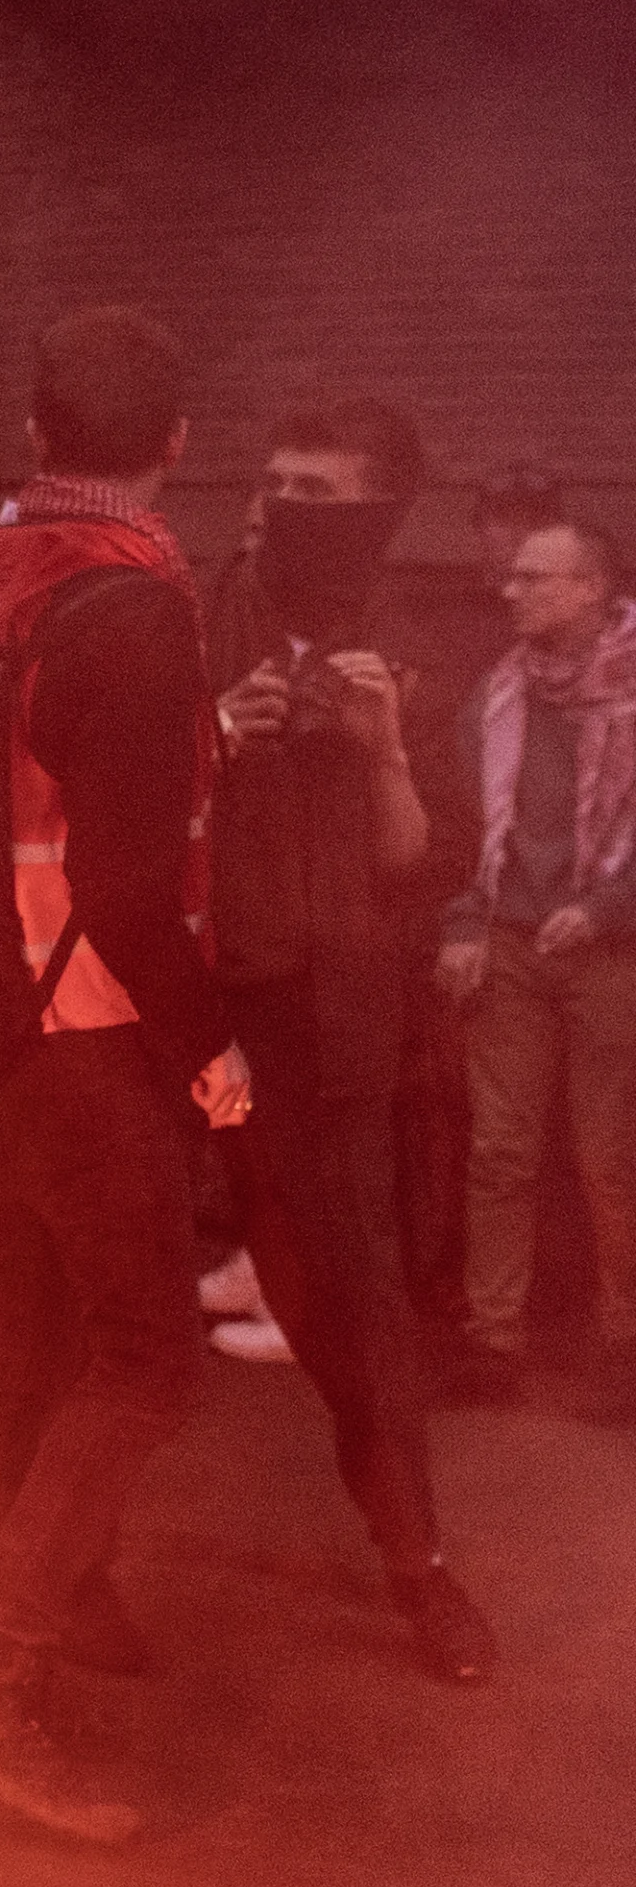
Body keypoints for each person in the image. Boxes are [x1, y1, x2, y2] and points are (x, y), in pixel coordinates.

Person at [0, 307, 249, 1846]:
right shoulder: (137, 607)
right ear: (174, 445)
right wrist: (212, 1042)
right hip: (82, 1028)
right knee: (150, 1361)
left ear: (39, 439)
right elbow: (118, 878)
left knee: (17, 1344)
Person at [199, 401, 496, 1676]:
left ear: (381, 506)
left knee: (354, 1303)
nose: (283, 507)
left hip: (329, 1040)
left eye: (317, 486)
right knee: (103, 1282)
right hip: (190, 1013)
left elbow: (421, 865)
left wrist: (381, 754)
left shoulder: (422, 648)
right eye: (273, 479)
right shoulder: (205, 614)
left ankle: (415, 1562)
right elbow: (118, 799)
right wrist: (216, 734)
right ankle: (45, 1585)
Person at [439, 517, 636, 1417]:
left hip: (612, 954)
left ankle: (624, 1344)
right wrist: (465, 922)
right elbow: (461, 825)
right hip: (512, 946)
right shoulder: (499, 692)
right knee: (500, 1150)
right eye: (511, 578)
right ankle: (492, 1342)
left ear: (593, 588)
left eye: (535, 579)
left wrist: (601, 908)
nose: (510, 592)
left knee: (612, 1155)